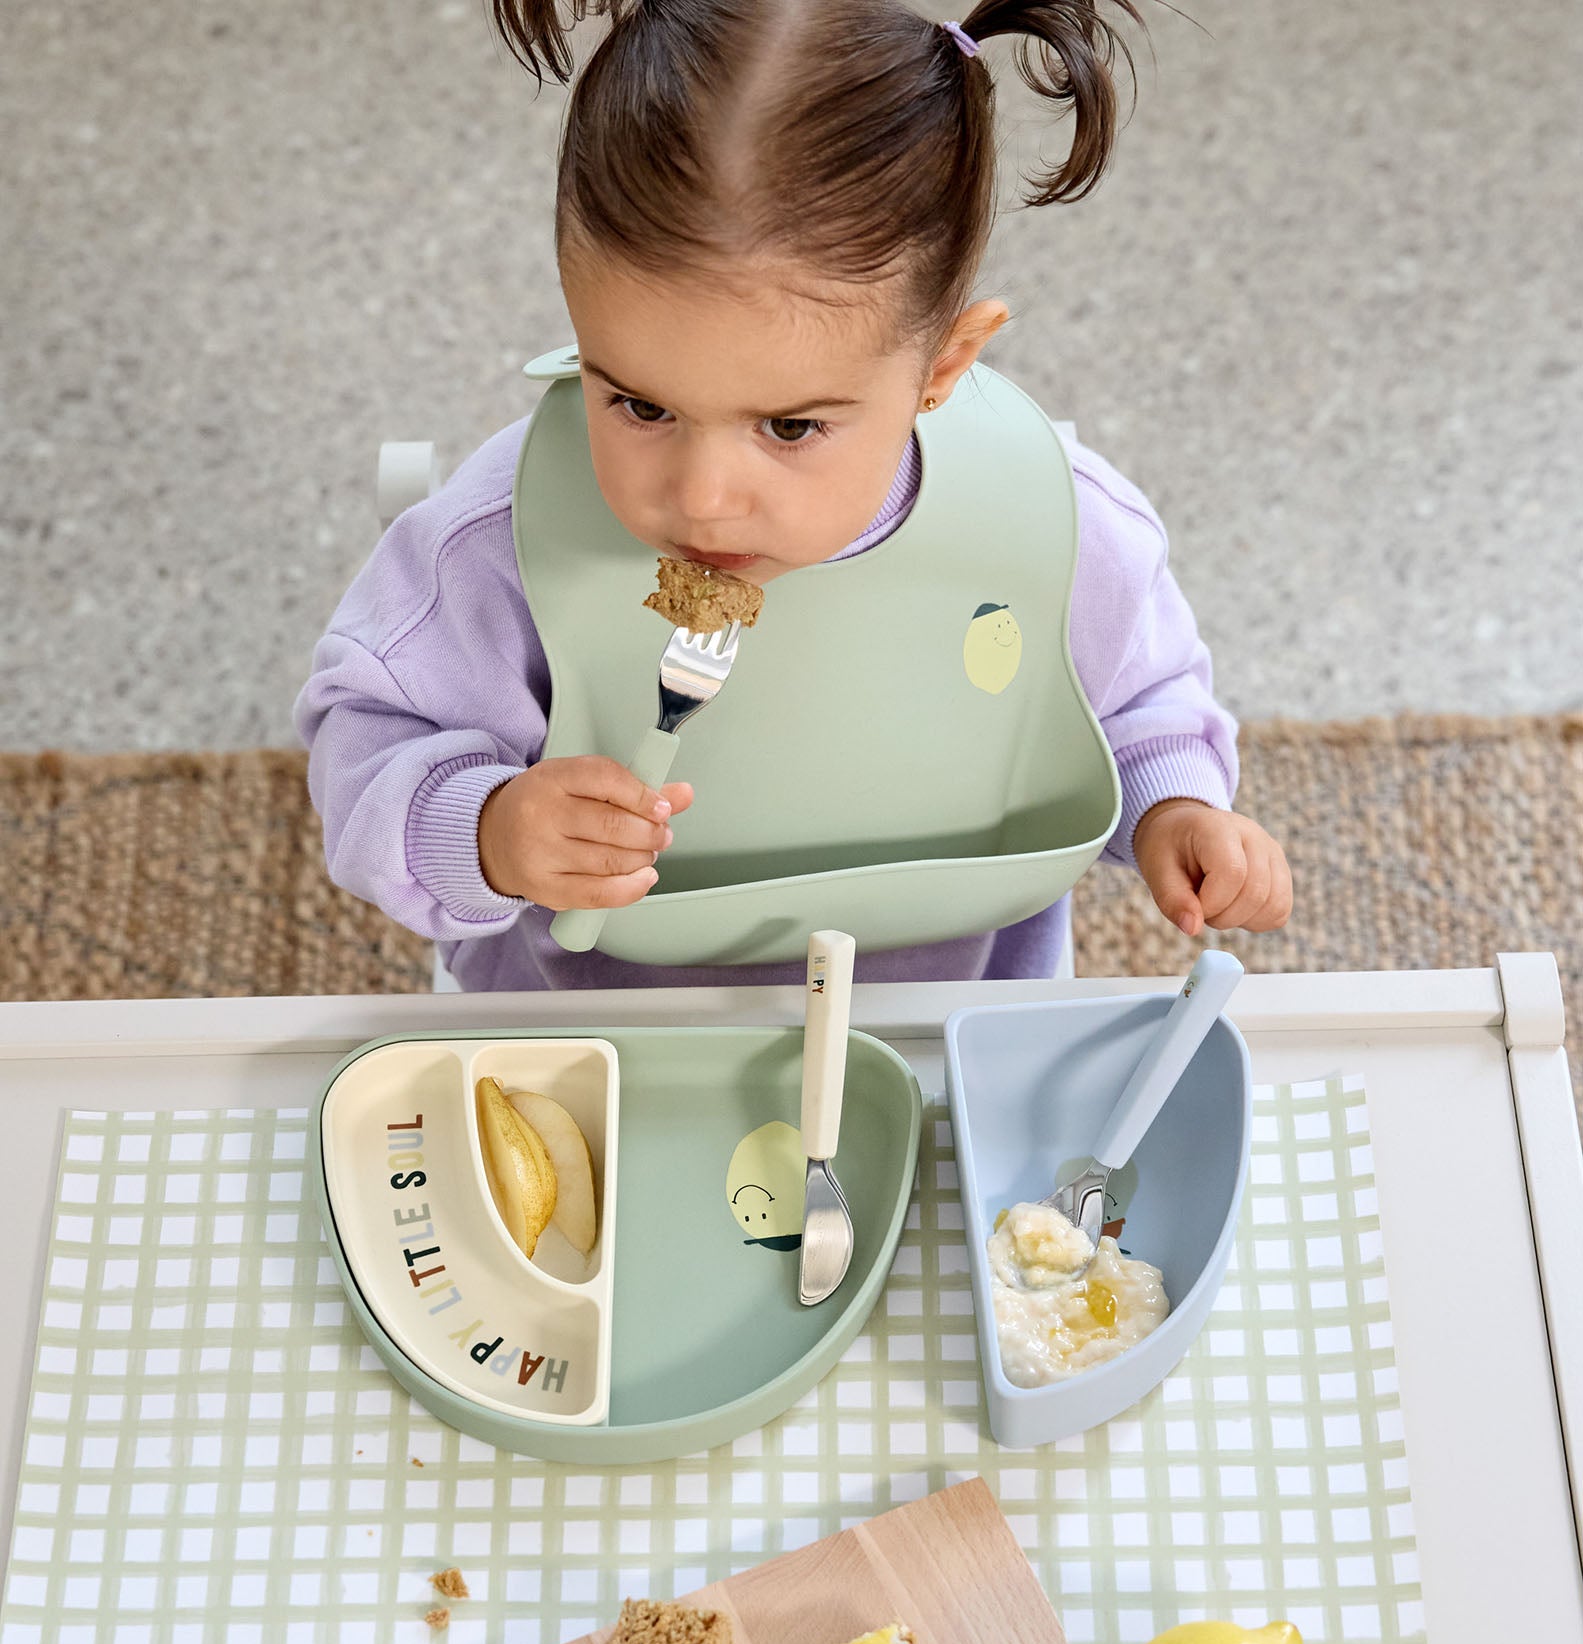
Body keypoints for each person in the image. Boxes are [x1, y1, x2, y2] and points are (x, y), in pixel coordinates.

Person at [296, 0, 1291, 992]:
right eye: (639, 403)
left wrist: (1175, 808)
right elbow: (368, 747)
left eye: (787, 427)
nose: (702, 498)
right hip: (596, 1031)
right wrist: (481, 827)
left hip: (948, 1008)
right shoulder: (495, 548)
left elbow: (1134, 701)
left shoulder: (1057, 531)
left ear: (941, 368)